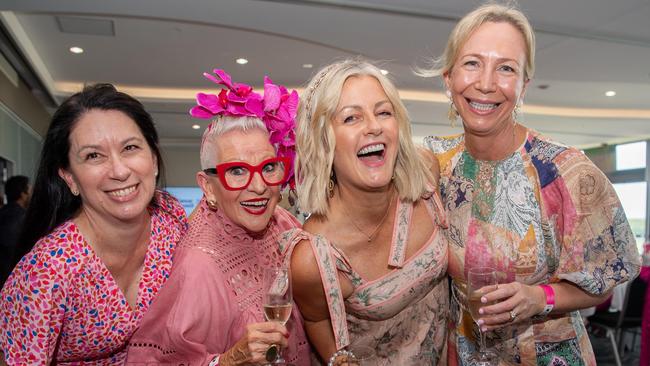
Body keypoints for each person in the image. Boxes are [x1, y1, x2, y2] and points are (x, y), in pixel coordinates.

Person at [422, 4, 641, 365]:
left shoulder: (565, 170)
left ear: (523, 85)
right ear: (448, 78)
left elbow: (604, 279)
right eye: (472, 63)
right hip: (464, 354)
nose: (486, 83)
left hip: (548, 355)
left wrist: (541, 298)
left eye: (505, 68)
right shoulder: (434, 165)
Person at [126, 69, 310, 365]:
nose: (259, 186)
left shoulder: (285, 223)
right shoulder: (198, 265)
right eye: (237, 171)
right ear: (208, 188)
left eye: (268, 167)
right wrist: (228, 360)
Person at [0, 84, 188, 365]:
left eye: (130, 147)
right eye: (93, 156)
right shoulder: (47, 271)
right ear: (69, 177)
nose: (120, 171)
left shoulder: (169, 217)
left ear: (154, 159)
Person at [282, 59, 449, 365]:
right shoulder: (313, 258)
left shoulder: (426, 175)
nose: (374, 126)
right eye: (351, 118)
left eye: (384, 112)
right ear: (323, 141)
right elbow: (316, 321)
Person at [0, 175, 30, 287]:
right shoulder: (23, 217)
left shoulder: (3, 212)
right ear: (23, 194)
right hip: (13, 281)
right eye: (30, 190)